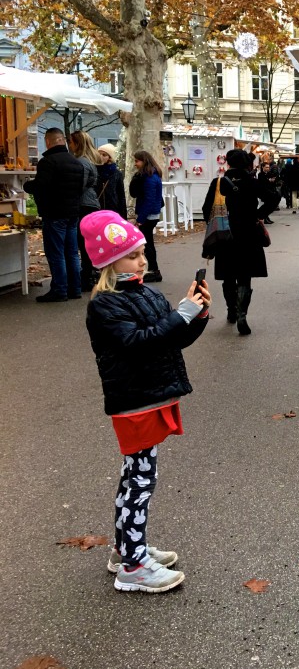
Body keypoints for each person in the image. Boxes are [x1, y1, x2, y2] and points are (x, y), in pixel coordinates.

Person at [82, 209, 210, 593]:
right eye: (134, 254)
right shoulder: (105, 305)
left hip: (150, 395)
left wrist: (196, 316)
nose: (143, 259)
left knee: (136, 477)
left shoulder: (145, 292)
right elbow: (141, 343)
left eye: (141, 252)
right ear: (109, 261)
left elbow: (170, 337)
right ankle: (133, 565)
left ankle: (126, 548)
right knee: (140, 481)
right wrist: (182, 315)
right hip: (134, 400)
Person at [202, 149, 274, 335]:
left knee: (227, 275)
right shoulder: (253, 182)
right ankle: (242, 315)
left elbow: (205, 209)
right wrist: (258, 215)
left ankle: (231, 311)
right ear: (247, 164)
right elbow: (273, 198)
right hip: (248, 233)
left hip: (225, 235)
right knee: (244, 276)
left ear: (227, 163)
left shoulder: (218, 183)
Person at [23, 128, 85, 302]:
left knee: (56, 252)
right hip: (72, 213)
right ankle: (75, 288)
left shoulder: (48, 162)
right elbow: (80, 188)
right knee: (72, 252)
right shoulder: (76, 162)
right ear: (63, 141)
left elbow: (41, 186)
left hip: (54, 213)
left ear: (48, 141)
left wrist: (28, 186)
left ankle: (59, 289)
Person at [68, 131, 102, 289]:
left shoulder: (81, 162)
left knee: (83, 242)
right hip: (91, 202)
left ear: (76, 143)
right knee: (88, 242)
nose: (69, 145)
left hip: (84, 204)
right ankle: (89, 273)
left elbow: (78, 186)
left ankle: (87, 275)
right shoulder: (90, 161)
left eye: (71, 142)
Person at [128, 151, 164, 283]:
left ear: (144, 161)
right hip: (151, 214)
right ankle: (154, 270)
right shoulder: (153, 176)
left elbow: (148, 200)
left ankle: (154, 270)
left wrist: (140, 220)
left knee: (147, 244)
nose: (135, 164)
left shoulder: (149, 178)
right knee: (148, 243)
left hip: (148, 216)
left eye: (137, 161)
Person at [96, 143, 128, 218]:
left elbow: (121, 195)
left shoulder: (116, 173)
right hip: (97, 209)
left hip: (112, 210)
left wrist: (123, 216)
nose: (101, 157)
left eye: (104, 155)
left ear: (110, 157)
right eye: (99, 154)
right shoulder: (94, 171)